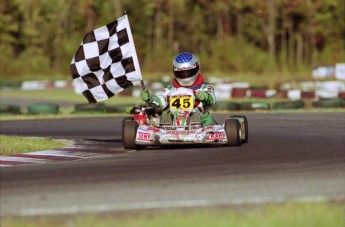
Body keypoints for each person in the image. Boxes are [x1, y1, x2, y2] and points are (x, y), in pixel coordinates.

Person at [140, 52, 216, 126]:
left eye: (188, 72)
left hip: (198, 119)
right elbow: (162, 100)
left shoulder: (204, 87)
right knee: (165, 114)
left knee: (207, 119)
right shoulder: (171, 88)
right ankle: (166, 126)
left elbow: (212, 99)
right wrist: (150, 98)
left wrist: (206, 96)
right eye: (182, 72)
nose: (185, 74)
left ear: (196, 69)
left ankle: (206, 129)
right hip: (174, 118)